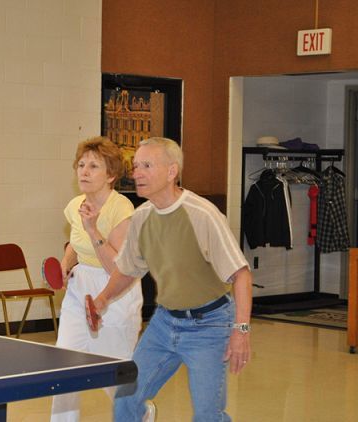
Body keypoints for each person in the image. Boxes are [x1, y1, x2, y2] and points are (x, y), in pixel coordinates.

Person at [91, 137, 252, 422]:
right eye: (136, 165)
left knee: (207, 415)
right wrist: (102, 299)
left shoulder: (202, 215)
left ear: (171, 171)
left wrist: (240, 331)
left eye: (147, 165)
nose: (137, 172)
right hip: (165, 324)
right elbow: (128, 269)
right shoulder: (141, 218)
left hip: (210, 325)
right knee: (126, 398)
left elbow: (240, 274)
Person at [51, 137, 143, 422]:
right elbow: (75, 245)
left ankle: (137, 413)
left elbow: (119, 267)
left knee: (114, 372)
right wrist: (66, 264)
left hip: (115, 290)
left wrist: (93, 229)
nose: (84, 171)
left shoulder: (121, 209)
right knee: (64, 368)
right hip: (80, 291)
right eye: (81, 165)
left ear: (111, 175)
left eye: (93, 166)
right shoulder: (75, 205)